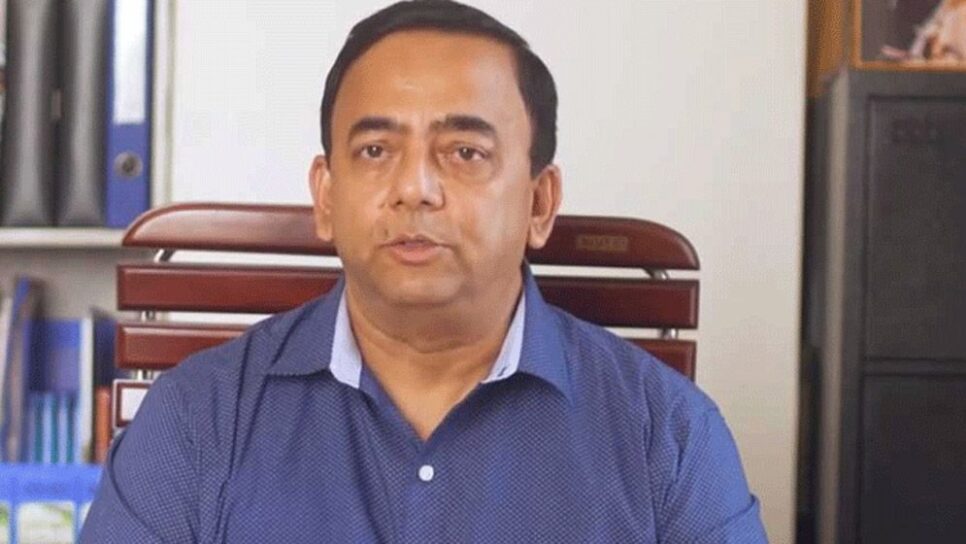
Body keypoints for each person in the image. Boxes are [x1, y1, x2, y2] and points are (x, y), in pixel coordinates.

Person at [81, 1, 767, 542]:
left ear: (539, 202)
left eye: (464, 152)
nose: (414, 188)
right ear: (326, 197)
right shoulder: (196, 421)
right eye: (376, 150)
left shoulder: (669, 438)